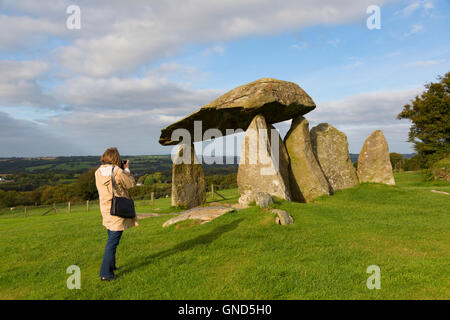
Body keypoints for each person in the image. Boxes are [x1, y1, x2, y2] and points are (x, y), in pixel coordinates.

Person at [95, 147, 138, 281]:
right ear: (116, 158)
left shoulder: (98, 171)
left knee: (111, 237)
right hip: (117, 209)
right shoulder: (118, 171)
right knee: (112, 242)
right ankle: (105, 274)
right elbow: (131, 185)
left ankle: (111, 266)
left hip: (105, 208)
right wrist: (126, 170)